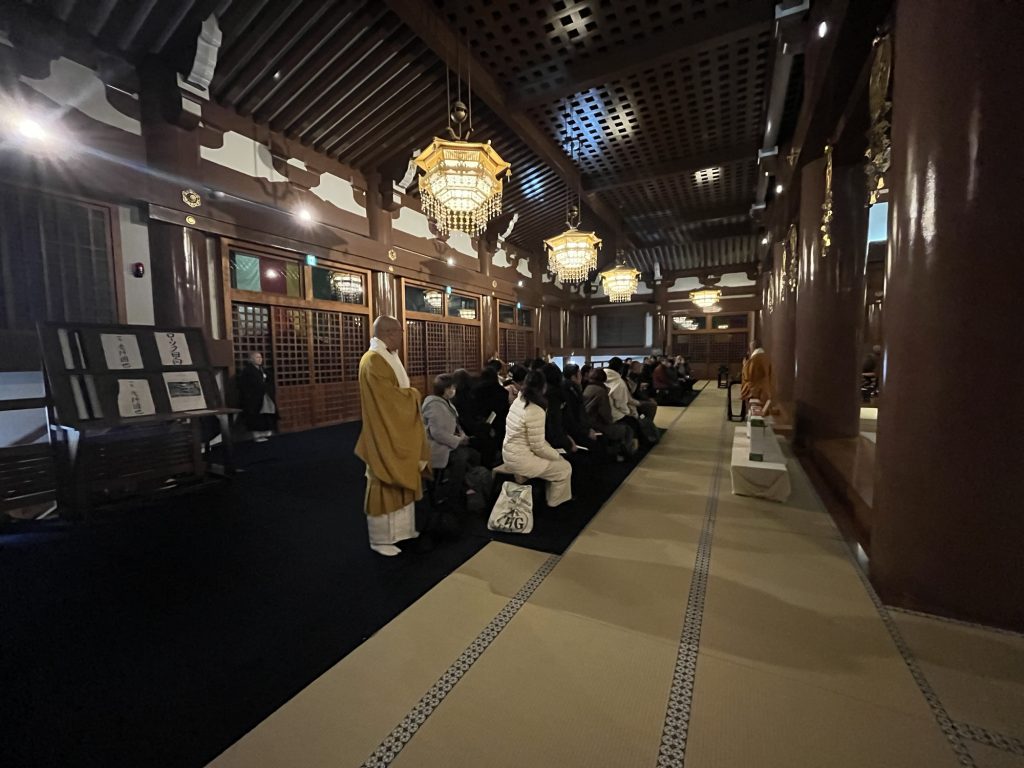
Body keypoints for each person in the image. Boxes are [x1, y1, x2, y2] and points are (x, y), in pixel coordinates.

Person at [354, 316, 430, 556]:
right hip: (383, 430)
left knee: (403, 473)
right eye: (400, 332)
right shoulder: (373, 360)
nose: (402, 337)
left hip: (396, 428)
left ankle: (402, 532)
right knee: (384, 477)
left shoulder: (388, 356)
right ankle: (380, 539)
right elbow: (388, 399)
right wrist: (414, 395)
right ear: (389, 333)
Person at [501, 370, 573, 507]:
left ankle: (549, 500)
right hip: (521, 460)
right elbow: (538, 447)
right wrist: (556, 454)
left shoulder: (519, 401)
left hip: (509, 454)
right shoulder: (535, 409)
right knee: (564, 468)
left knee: (556, 461)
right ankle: (555, 504)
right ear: (543, 387)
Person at [422, 374, 479, 509]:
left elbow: (455, 425)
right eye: (452, 387)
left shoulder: (445, 402)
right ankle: (454, 495)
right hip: (436, 447)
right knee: (461, 457)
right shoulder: (434, 405)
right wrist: (458, 441)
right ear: (445, 389)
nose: (454, 390)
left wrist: (462, 436)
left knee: (473, 454)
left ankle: (464, 488)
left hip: (447, 443)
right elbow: (437, 433)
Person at [582, 368, 634, 460]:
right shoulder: (601, 391)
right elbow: (606, 414)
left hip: (587, 422)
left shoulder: (587, 388)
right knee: (627, 429)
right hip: (597, 424)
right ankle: (624, 455)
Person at [237, 351, 277, 441]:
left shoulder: (262, 369)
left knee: (267, 416)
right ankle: (257, 436)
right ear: (251, 359)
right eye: (257, 357)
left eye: (261, 357)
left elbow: (268, 381)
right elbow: (245, 386)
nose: (260, 359)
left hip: (264, 397)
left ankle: (267, 434)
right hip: (253, 399)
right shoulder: (247, 371)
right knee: (256, 418)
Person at [740, 338, 774, 409]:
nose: (750, 350)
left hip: (756, 390)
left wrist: (745, 365)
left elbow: (748, 376)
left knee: (756, 410)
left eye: (750, 347)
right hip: (766, 388)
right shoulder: (766, 357)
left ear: (753, 347)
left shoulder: (755, 359)